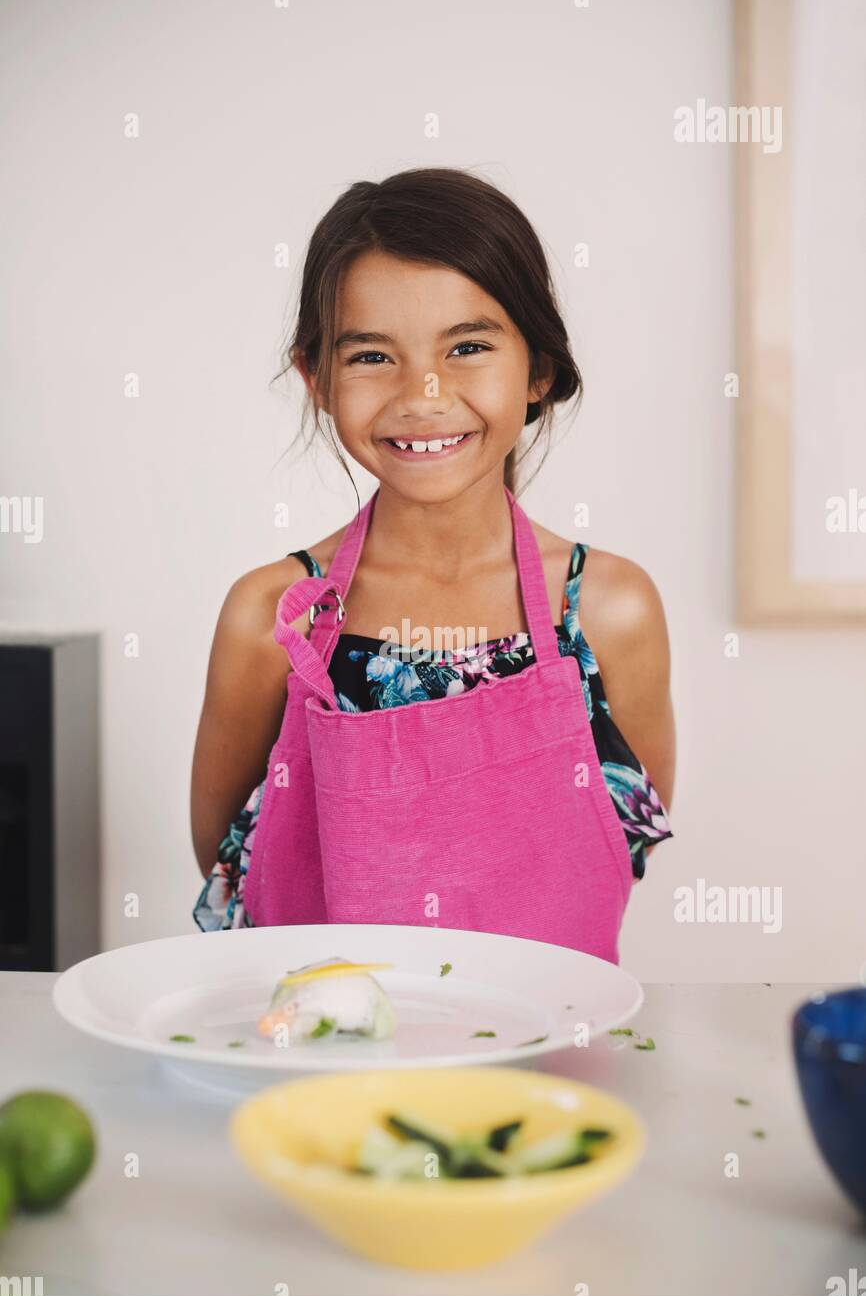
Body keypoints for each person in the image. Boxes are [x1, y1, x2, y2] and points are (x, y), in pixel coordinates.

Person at [190, 168, 674, 959]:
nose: (424, 394)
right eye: (373, 356)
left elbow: (617, 844)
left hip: (541, 1065)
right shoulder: (272, 617)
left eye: (470, 347)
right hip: (327, 1058)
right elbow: (231, 856)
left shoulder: (610, 609)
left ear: (539, 371)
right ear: (316, 378)